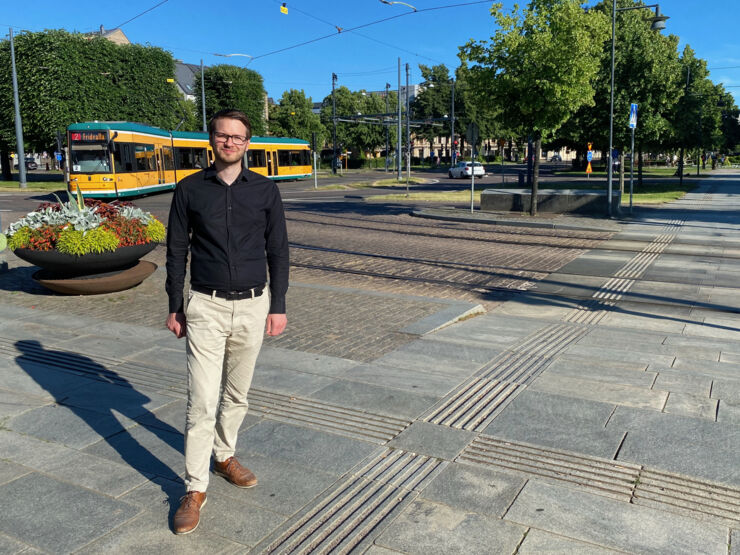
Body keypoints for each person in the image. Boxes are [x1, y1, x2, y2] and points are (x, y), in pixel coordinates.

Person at [165, 108, 289, 535]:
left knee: (237, 395)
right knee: (201, 401)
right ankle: (195, 488)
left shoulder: (265, 191)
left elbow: (279, 252)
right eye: (222, 136)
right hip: (206, 305)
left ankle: (224, 455)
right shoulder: (189, 190)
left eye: (237, 137)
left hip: (255, 305)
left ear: (247, 144)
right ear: (211, 140)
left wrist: (279, 305)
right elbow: (176, 251)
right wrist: (174, 305)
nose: (230, 143)